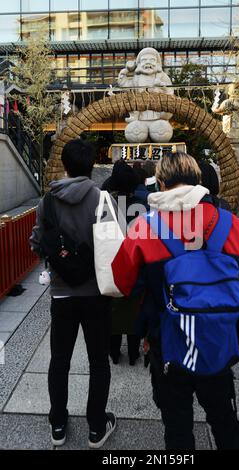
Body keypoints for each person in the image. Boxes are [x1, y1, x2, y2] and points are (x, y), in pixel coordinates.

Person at [109, 152, 239, 450]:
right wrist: (234, 335)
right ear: (199, 180)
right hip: (217, 342)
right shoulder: (232, 226)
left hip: (168, 343)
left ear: (160, 183)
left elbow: (122, 282)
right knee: (225, 420)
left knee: (177, 427)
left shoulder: (145, 227)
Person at [29, 139, 116, 449]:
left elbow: (37, 242)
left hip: (62, 294)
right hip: (96, 293)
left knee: (59, 360)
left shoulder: (47, 201)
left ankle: (58, 425)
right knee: (98, 362)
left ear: (64, 165)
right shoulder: (101, 198)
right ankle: (96, 427)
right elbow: (112, 245)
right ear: (91, 165)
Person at [105, 159, 147, 365]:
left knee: (113, 310)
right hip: (135, 262)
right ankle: (133, 353)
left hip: (112, 262)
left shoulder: (105, 205)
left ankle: (113, 352)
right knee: (133, 309)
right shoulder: (142, 205)